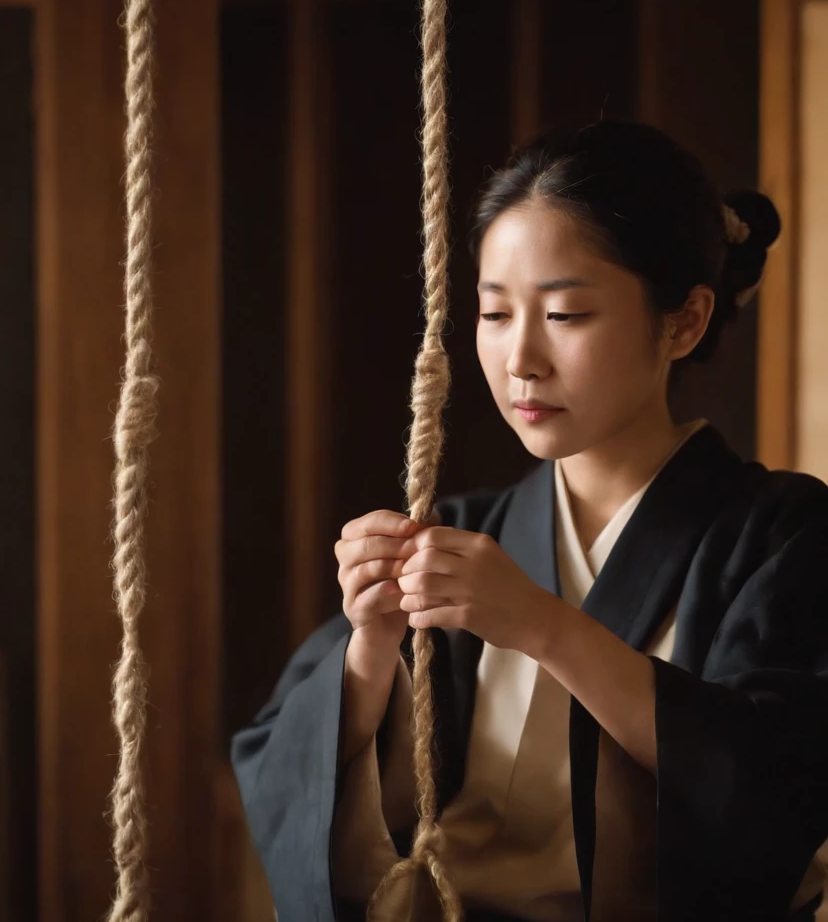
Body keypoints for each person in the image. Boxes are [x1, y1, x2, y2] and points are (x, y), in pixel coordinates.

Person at [231, 120, 828, 922]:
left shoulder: (779, 532)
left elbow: (778, 782)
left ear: (682, 321)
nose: (520, 360)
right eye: (495, 313)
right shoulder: (464, 536)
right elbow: (278, 771)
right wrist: (372, 650)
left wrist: (546, 628)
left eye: (567, 315)